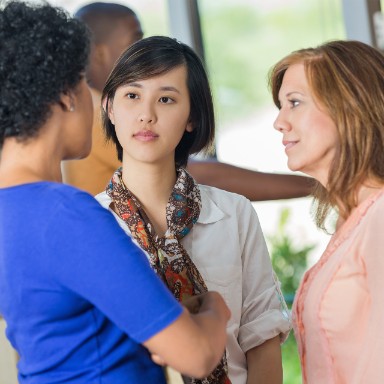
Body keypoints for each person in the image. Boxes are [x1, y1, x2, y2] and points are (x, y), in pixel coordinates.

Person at [0, 3, 231, 383]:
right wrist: (215, 308)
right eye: (84, 85)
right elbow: (197, 354)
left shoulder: (11, 210)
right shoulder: (65, 213)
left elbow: (66, 326)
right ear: (64, 96)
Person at [96, 35, 291, 384]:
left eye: (166, 99)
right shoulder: (92, 225)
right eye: (132, 96)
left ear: (191, 117)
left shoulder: (234, 214)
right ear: (111, 108)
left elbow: (261, 336)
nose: (146, 115)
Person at [62, 1, 313, 200]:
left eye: (166, 100)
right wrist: (315, 186)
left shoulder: (82, 106)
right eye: (135, 41)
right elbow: (196, 178)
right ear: (99, 54)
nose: (143, 52)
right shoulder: (97, 110)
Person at [270, 40, 384, 384]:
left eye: (294, 103)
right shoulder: (357, 221)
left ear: (349, 108)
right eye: (280, 106)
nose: (279, 122)